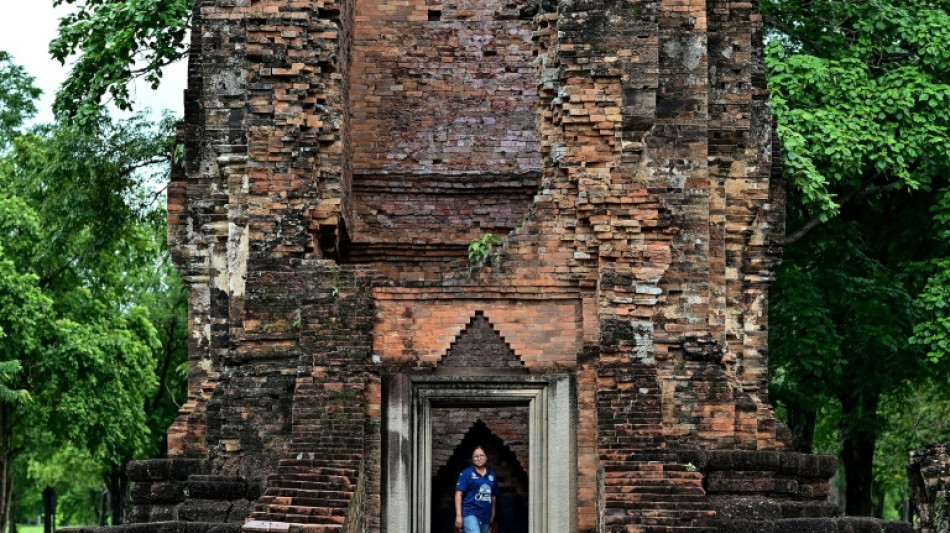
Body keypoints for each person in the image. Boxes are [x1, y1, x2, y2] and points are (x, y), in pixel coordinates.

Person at [454, 445, 497, 533]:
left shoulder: (492, 475)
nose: (479, 458)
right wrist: (458, 515)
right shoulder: (466, 473)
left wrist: (493, 514)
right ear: (472, 458)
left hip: (486, 515)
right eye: (476, 456)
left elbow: (493, 496)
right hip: (470, 512)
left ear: (486, 457)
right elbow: (458, 494)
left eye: (481, 455)